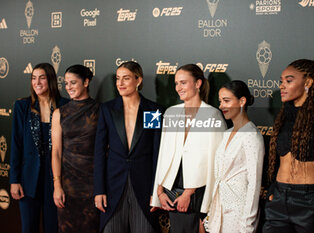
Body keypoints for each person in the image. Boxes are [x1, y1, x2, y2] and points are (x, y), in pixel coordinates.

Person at [263, 59, 314, 233]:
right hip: (278, 200)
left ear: (308, 82)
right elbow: (277, 161)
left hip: (308, 203)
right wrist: (272, 189)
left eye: (289, 81)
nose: (282, 86)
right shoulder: (283, 118)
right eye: (281, 81)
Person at [151, 64, 226, 233]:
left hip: (198, 193)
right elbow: (163, 154)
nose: (178, 88)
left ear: (198, 83)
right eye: (176, 83)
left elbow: (215, 161)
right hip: (171, 190)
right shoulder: (171, 113)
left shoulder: (212, 115)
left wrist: (188, 193)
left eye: (183, 83)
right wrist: (160, 192)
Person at [94, 61, 163, 233]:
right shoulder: (108, 109)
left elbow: (156, 154)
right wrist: (99, 190)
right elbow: (99, 152)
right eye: (118, 79)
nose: (120, 83)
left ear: (138, 80)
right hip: (113, 187)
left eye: (126, 78)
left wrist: (156, 191)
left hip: (144, 187)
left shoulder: (152, 111)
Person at [9, 63, 69, 233]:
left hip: (56, 179)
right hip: (28, 179)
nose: (37, 82)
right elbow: (16, 144)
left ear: (51, 80)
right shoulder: (22, 106)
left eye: (42, 78)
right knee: (29, 227)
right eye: (33, 78)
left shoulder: (65, 105)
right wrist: (14, 180)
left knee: (53, 227)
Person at [207, 80, 264, 233]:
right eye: (220, 101)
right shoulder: (226, 134)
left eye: (226, 101)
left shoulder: (251, 135)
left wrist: (247, 223)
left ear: (242, 101)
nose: (221, 106)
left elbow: (254, 184)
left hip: (239, 214)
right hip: (218, 211)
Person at [51, 64, 100, 233]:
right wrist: (57, 185)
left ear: (86, 82)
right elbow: (56, 152)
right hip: (68, 184)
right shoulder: (59, 113)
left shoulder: (99, 110)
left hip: (93, 183)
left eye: (73, 83)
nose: (68, 87)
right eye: (66, 83)